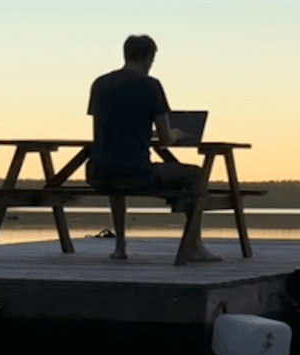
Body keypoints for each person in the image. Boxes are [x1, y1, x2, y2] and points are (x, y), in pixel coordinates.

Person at [87, 34, 217, 262]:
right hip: (137, 174)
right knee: (196, 175)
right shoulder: (150, 85)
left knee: (117, 180)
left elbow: (107, 123)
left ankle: (120, 246)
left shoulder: (100, 83)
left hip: (98, 172)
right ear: (150, 57)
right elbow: (166, 138)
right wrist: (176, 133)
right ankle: (194, 246)